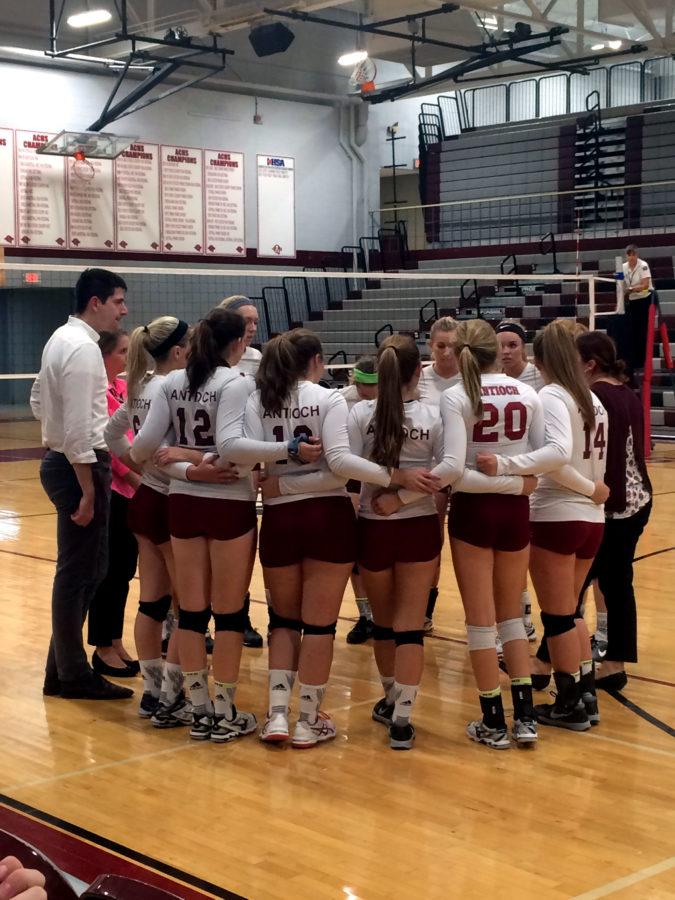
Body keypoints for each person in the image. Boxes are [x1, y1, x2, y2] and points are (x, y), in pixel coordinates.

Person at [220, 328, 439, 748]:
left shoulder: (257, 400)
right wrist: (395, 479)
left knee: (283, 621)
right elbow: (341, 467)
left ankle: (278, 716)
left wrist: (281, 483)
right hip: (329, 519)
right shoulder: (329, 398)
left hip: (280, 521)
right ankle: (307, 719)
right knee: (320, 626)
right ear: (317, 361)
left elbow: (243, 455)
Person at [130, 308, 287, 743]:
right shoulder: (236, 383)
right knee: (230, 613)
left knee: (192, 613)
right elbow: (232, 451)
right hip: (226, 507)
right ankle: (224, 709)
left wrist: (183, 460)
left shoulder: (170, 383)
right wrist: (285, 448)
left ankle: (198, 711)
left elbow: (143, 449)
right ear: (238, 343)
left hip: (182, 505)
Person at [392, 320, 540, 748]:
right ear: (497, 350)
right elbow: (538, 459)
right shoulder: (526, 392)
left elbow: (454, 468)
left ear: (462, 353)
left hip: (474, 512)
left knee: (481, 622)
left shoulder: (457, 396)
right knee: (512, 616)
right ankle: (526, 718)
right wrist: (516, 482)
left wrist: (401, 497)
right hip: (515, 510)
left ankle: (493, 722)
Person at [477, 320, 610, 732]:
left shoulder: (553, 395)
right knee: (570, 612)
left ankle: (570, 703)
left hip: (559, 513)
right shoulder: (591, 397)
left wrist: (506, 464)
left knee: (558, 617)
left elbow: (556, 458)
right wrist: (592, 491)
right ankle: (585, 693)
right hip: (591, 519)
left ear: (541, 358)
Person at [104, 315, 223, 725]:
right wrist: (191, 471)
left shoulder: (138, 385)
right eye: (189, 343)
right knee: (187, 606)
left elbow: (111, 434)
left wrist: (138, 470)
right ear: (179, 351)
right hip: (171, 500)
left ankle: (153, 693)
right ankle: (175, 693)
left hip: (145, 499)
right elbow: (163, 450)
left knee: (151, 601)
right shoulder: (170, 388)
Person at [31, 268, 132, 701]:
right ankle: (70, 674)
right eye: (118, 302)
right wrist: (88, 488)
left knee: (86, 570)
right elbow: (78, 429)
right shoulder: (84, 348)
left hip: (66, 462)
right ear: (96, 302)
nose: (123, 311)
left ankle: (63, 670)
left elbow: (38, 398)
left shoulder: (60, 339)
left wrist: (56, 433)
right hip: (79, 468)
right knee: (79, 574)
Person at [347, 336, 445, 750]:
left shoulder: (358, 413)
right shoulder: (436, 414)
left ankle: (390, 698)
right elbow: (445, 474)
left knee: (384, 625)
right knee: (411, 625)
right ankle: (403, 717)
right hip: (419, 526)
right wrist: (404, 495)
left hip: (373, 527)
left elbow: (347, 470)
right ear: (418, 371)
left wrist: (384, 486)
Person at [577, 331, 653, 692]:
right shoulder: (626, 391)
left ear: (589, 364)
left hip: (616, 507)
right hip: (637, 502)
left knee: (574, 584)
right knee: (616, 583)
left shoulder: (598, 396)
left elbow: (605, 461)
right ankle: (615, 662)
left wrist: (605, 503)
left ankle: (552, 660)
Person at [87, 329, 140, 677]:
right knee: (107, 572)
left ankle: (116, 639)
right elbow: (110, 445)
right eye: (122, 352)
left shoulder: (122, 389)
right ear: (104, 355)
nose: (126, 359)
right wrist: (138, 478)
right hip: (116, 491)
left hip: (134, 490)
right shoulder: (95, 394)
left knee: (123, 571)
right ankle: (102, 646)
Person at [217, 294, 265, 648]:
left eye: (255, 322)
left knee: (243, 550)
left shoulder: (256, 360)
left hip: (244, 464)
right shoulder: (205, 362)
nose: (251, 328)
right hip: (207, 463)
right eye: (245, 321)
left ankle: (240, 616)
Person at [495, 319, 544, 645]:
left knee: (523, 557)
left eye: (512, 345)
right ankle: (521, 619)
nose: (506, 351)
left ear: (523, 347)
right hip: (502, 478)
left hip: (530, 477)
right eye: (501, 345)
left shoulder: (538, 379)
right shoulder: (491, 380)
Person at [417, 317, 460, 634]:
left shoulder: (469, 378)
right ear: (430, 345)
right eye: (440, 345)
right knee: (432, 538)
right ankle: (424, 610)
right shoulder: (419, 379)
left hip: (463, 469)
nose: (446, 352)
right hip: (429, 472)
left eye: (453, 346)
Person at [341, 356, 379, 645]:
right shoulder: (343, 400)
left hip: (384, 477)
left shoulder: (394, 399)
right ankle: (366, 615)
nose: (364, 390)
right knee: (356, 552)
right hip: (355, 478)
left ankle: (383, 613)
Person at [621, 245, 654, 373]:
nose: (631, 257)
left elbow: (645, 285)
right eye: (629, 255)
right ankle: (634, 360)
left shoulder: (643, 265)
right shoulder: (623, 267)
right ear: (626, 256)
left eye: (633, 255)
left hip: (645, 299)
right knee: (632, 330)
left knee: (643, 330)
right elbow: (620, 284)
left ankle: (643, 359)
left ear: (637, 255)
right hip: (632, 300)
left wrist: (631, 289)